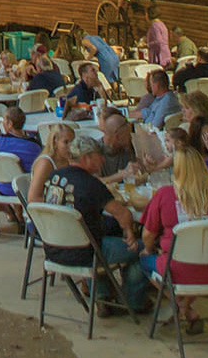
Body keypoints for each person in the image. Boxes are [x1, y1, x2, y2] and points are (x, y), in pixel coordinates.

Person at [38, 132, 151, 314]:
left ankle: (102, 297)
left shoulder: (54, 177)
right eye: (100, 156)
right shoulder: (91, 184)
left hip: (54, 250)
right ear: (87, 157)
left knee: (97, 234)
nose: (103, 161)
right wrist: (130, 234)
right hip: (86, 254)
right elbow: (123, 214)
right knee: (143, 248)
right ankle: (133, 302)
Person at [140, 148, 208, 332]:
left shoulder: (165, 194)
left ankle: (178, 303)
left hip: (177, 271)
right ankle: (186, 306)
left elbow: (148, 235)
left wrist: (148, 249)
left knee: (143, 260)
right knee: (194, 266)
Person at [0, 105, 44, 227]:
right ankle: (19, 214)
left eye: (4, 120)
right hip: (27, 190)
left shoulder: (0, 141)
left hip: (3, 188)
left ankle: (13, 213)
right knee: (20, 175)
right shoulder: (35, 145)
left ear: (9, 124)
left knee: (0, 180)